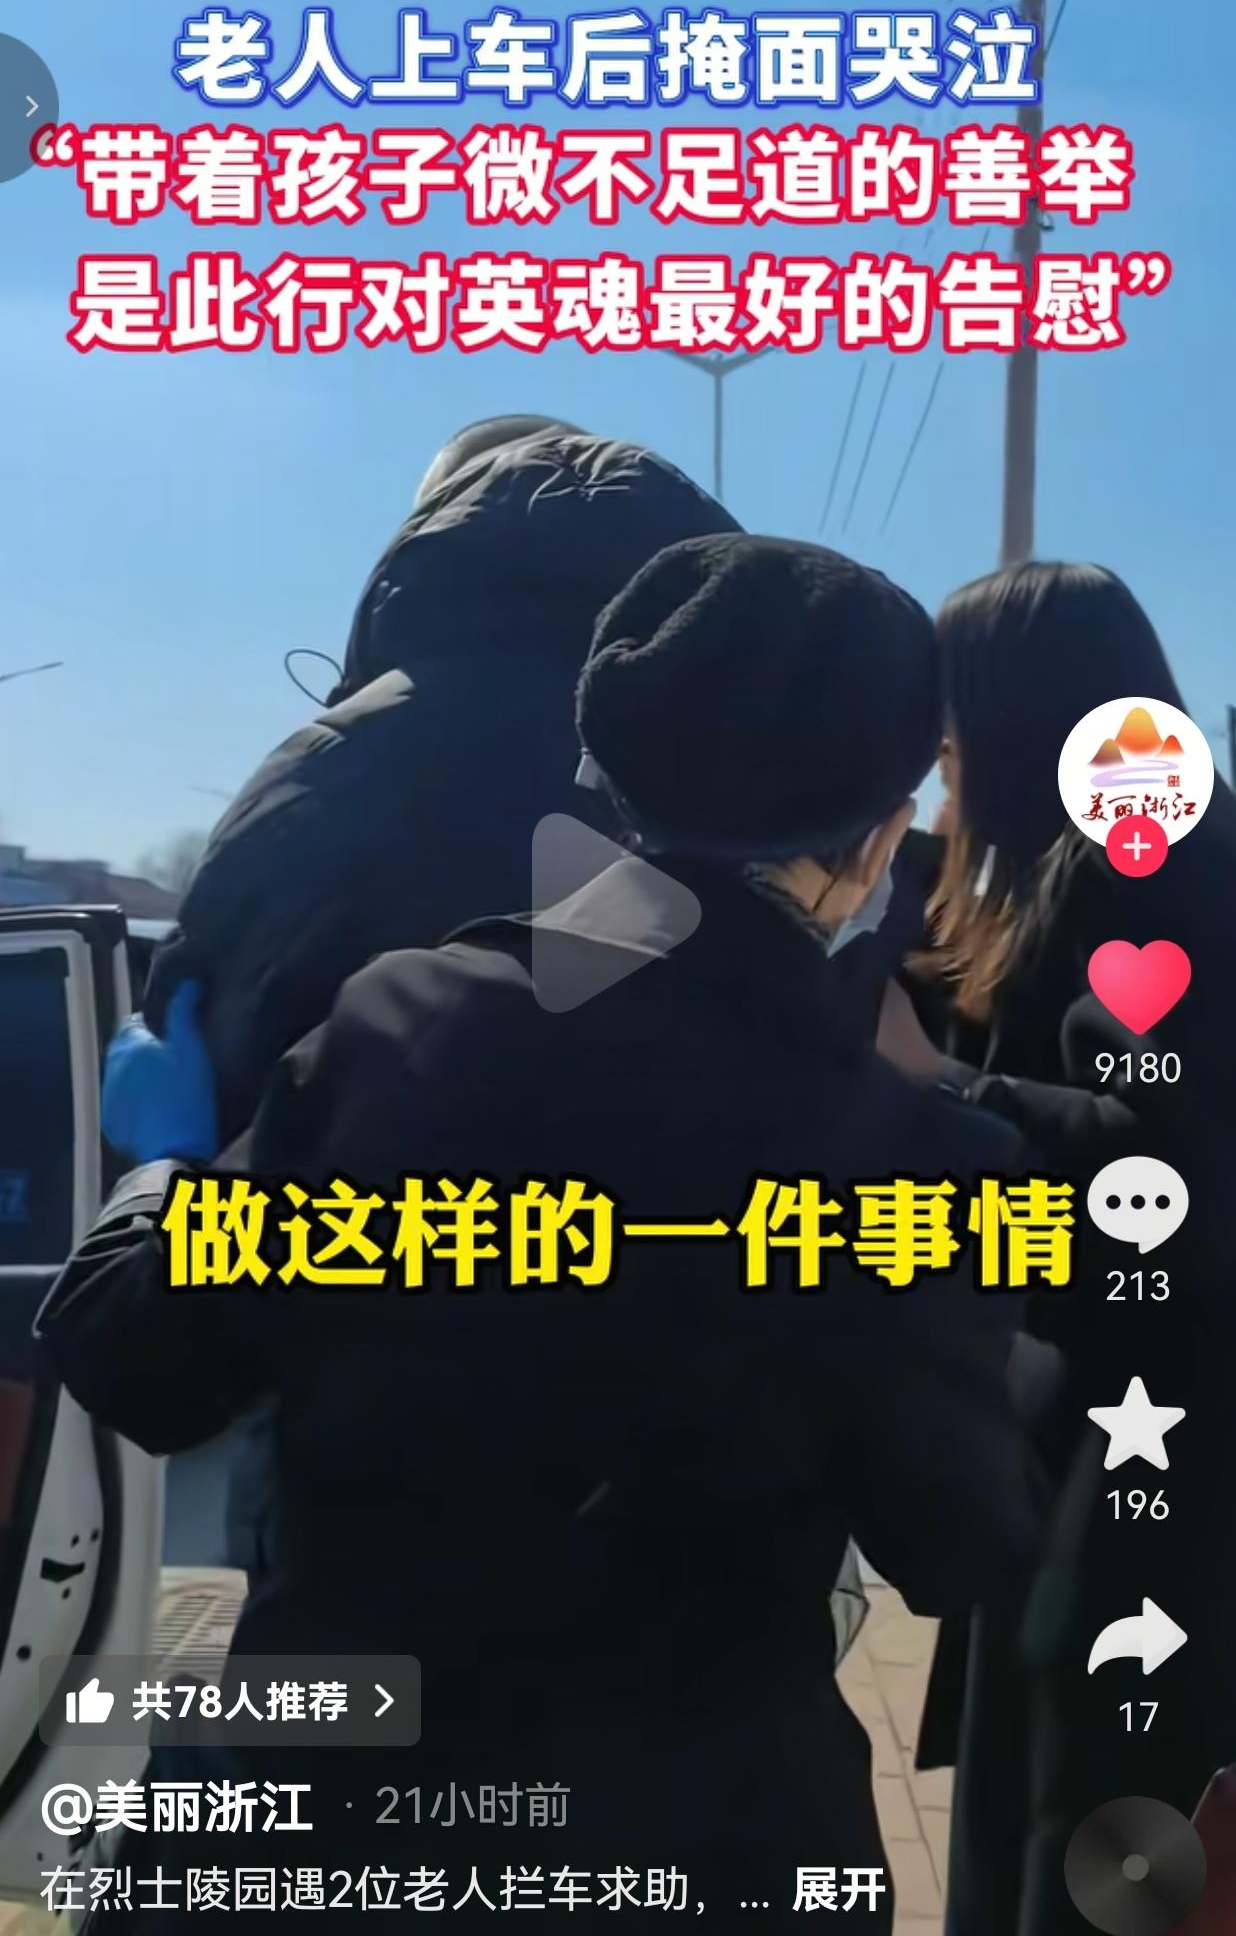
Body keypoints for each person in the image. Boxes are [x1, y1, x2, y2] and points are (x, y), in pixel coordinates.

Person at [40, 537, 1042, 1932]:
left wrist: (164, 1164)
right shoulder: (908, 1163)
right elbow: (962, 1547)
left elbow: (138, 1359)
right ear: (880, 836)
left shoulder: (397, 1028)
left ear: (603, 777)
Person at [878, 560, 1236, 1936]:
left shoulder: (1159, 877)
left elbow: (1167, 1166)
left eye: (953, 731)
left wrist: (940, 1087)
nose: (942, 766)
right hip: (1105, 1434)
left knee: (1084, 1817)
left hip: (1149, 1450)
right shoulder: (1122, 861)